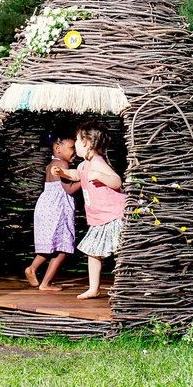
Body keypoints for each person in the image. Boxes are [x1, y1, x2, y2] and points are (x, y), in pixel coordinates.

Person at [51, 121, 126, 300]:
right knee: (93, 252)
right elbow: (78, 175)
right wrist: (63, 173)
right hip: (99, 218)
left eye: (77, 140)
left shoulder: (98, 163)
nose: (75, 145)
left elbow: (117, 182)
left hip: (114, 215)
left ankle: (135, 282)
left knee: (122, 251)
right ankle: (94, 288)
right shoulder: (84, 165)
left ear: (87, 143)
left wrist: (99, 175)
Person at [25, 132, 81, 291]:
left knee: (51, 245)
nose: (75, 152)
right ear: (58, 148)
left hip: (46, 206)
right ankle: (46, 283)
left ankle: (32, 268)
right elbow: (68, 189)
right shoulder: (62, 166)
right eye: (71, 148)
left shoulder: (50, 165)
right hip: (57, 209)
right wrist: (85, 179)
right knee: (63, 248)